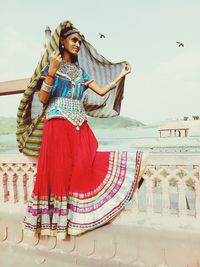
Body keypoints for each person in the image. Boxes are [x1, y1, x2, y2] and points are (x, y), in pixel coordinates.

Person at [17, 20, 147, 239]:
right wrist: (52, 72)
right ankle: (56, 225)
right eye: (74, 40)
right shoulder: (52, 65)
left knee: (85, 164)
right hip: (57, 123)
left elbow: (102, 90)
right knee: (58, 171)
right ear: (63, 42)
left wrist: (121, 75)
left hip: (79, 125)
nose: (78, 44)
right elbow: (42, 98)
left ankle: (78, 219)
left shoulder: (80, 72)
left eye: (79, 41)